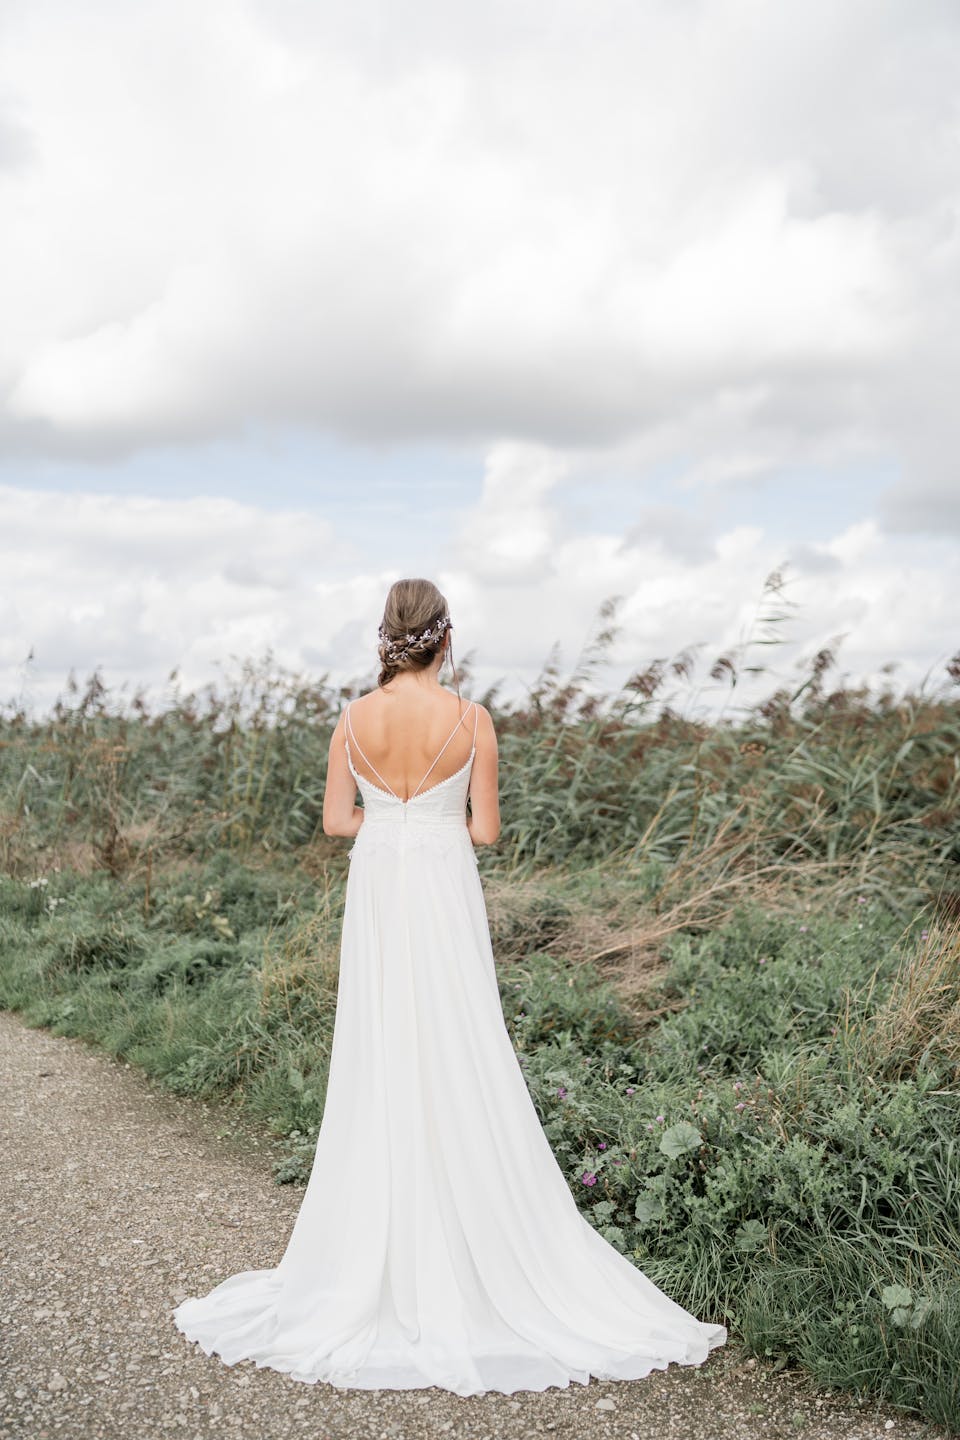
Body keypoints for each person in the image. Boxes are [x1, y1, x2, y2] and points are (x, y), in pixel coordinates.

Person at [172, 577, 726, 1395]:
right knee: (457, 1034)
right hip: (441, 883)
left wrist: (388, 820)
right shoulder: (472, 720)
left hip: (379, 884)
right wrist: (430, 820)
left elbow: (335, 822)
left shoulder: (352, 718)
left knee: (382, 1039)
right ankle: (471, 1222)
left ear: (388, 638)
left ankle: (380, 1227)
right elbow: (486, 830)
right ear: (445, 637)